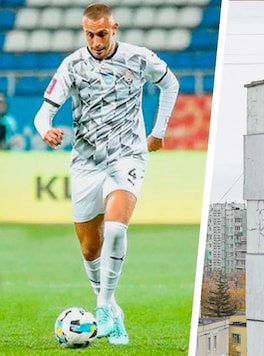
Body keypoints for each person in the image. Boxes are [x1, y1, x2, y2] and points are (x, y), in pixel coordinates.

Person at [33, 3, 179, 345]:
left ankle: (101, 308)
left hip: (126, 156)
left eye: (101, 34)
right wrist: (46, 130)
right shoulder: (72, 65)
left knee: (115, 227)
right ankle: (115, 312)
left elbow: (170, 84)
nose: (96, 41)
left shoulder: (138, 58)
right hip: (86, 162)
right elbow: (43, 113)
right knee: (88, 249)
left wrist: (158, 131)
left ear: (114, 28)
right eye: (89, 35)